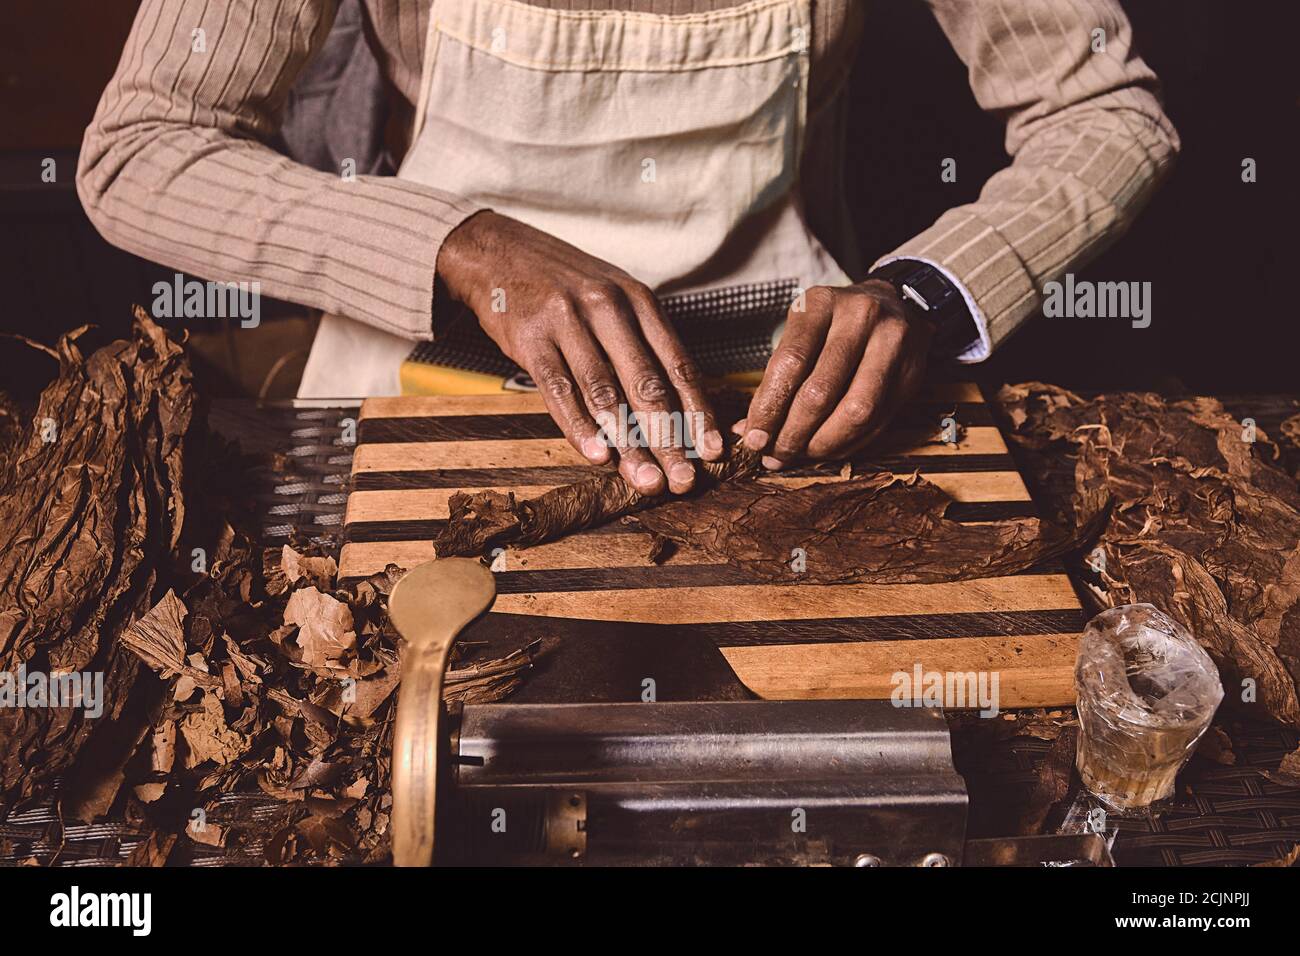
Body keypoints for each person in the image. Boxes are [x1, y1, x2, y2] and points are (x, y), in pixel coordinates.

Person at [78, 0, 1177, 497]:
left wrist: (928, 290)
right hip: (424, 365)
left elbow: (1103, 110)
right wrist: (456, 242)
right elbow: (141, 150)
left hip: (782, 391)